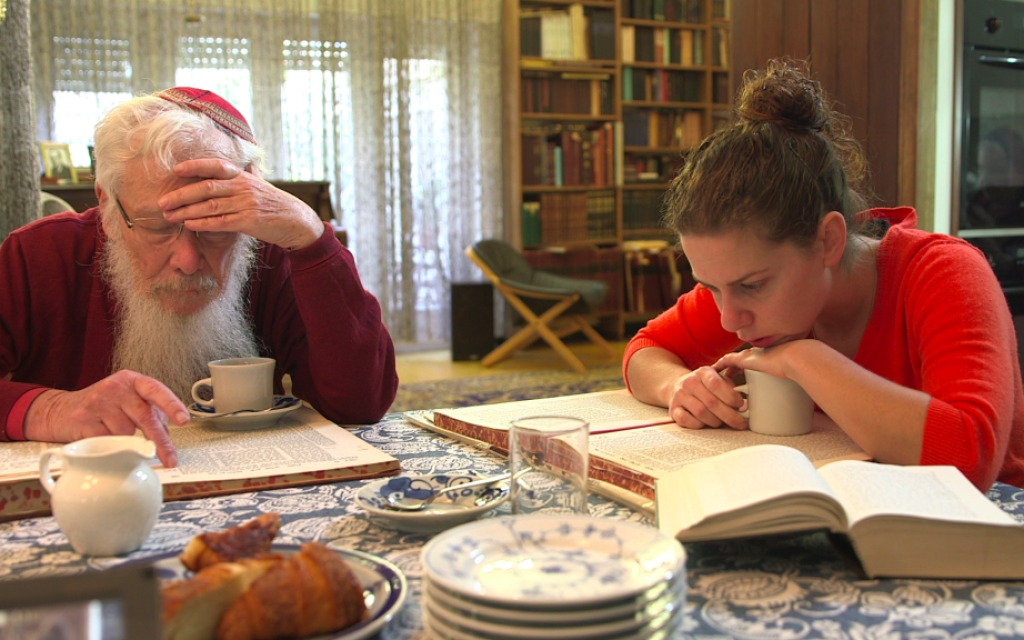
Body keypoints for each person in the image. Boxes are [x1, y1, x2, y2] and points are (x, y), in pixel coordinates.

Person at [623, 59, 1024, 491]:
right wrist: (677, 386)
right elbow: (646, 348)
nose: (728, 318)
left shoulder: (943, 273)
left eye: (752, 286)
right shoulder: (741, 278)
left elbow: (971, 458)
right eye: (711, 288)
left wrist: (805, 361)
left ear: (828, 240)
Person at [0, 87, 399, 467]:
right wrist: (51, 409)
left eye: (215, 225)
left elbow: (360, 403)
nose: (188, 261)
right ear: (107, 202)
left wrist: (311, 239)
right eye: (157, 227)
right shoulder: (39, 254)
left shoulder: (271, 252)